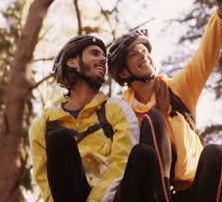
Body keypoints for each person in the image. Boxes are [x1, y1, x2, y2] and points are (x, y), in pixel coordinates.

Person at [107, 0, 222, 202]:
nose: (143, 57)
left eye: (145, 52)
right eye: (134, 54)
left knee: (215, 153)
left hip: (191, 189)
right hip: (150, 191)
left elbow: (206, 55)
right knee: (153, 120)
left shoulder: (177, 89)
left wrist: (221, 14)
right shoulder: (119, 110)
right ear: (124, 72)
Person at [30, 35, 141, 202]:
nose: (103, 59)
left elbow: (123, 161)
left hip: (114, 197)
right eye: (95, 53)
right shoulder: (43, 126)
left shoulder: (116, 108)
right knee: (60, 139)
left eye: (104, 56)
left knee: (143, 155)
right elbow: (47, 185)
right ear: (72, 62)